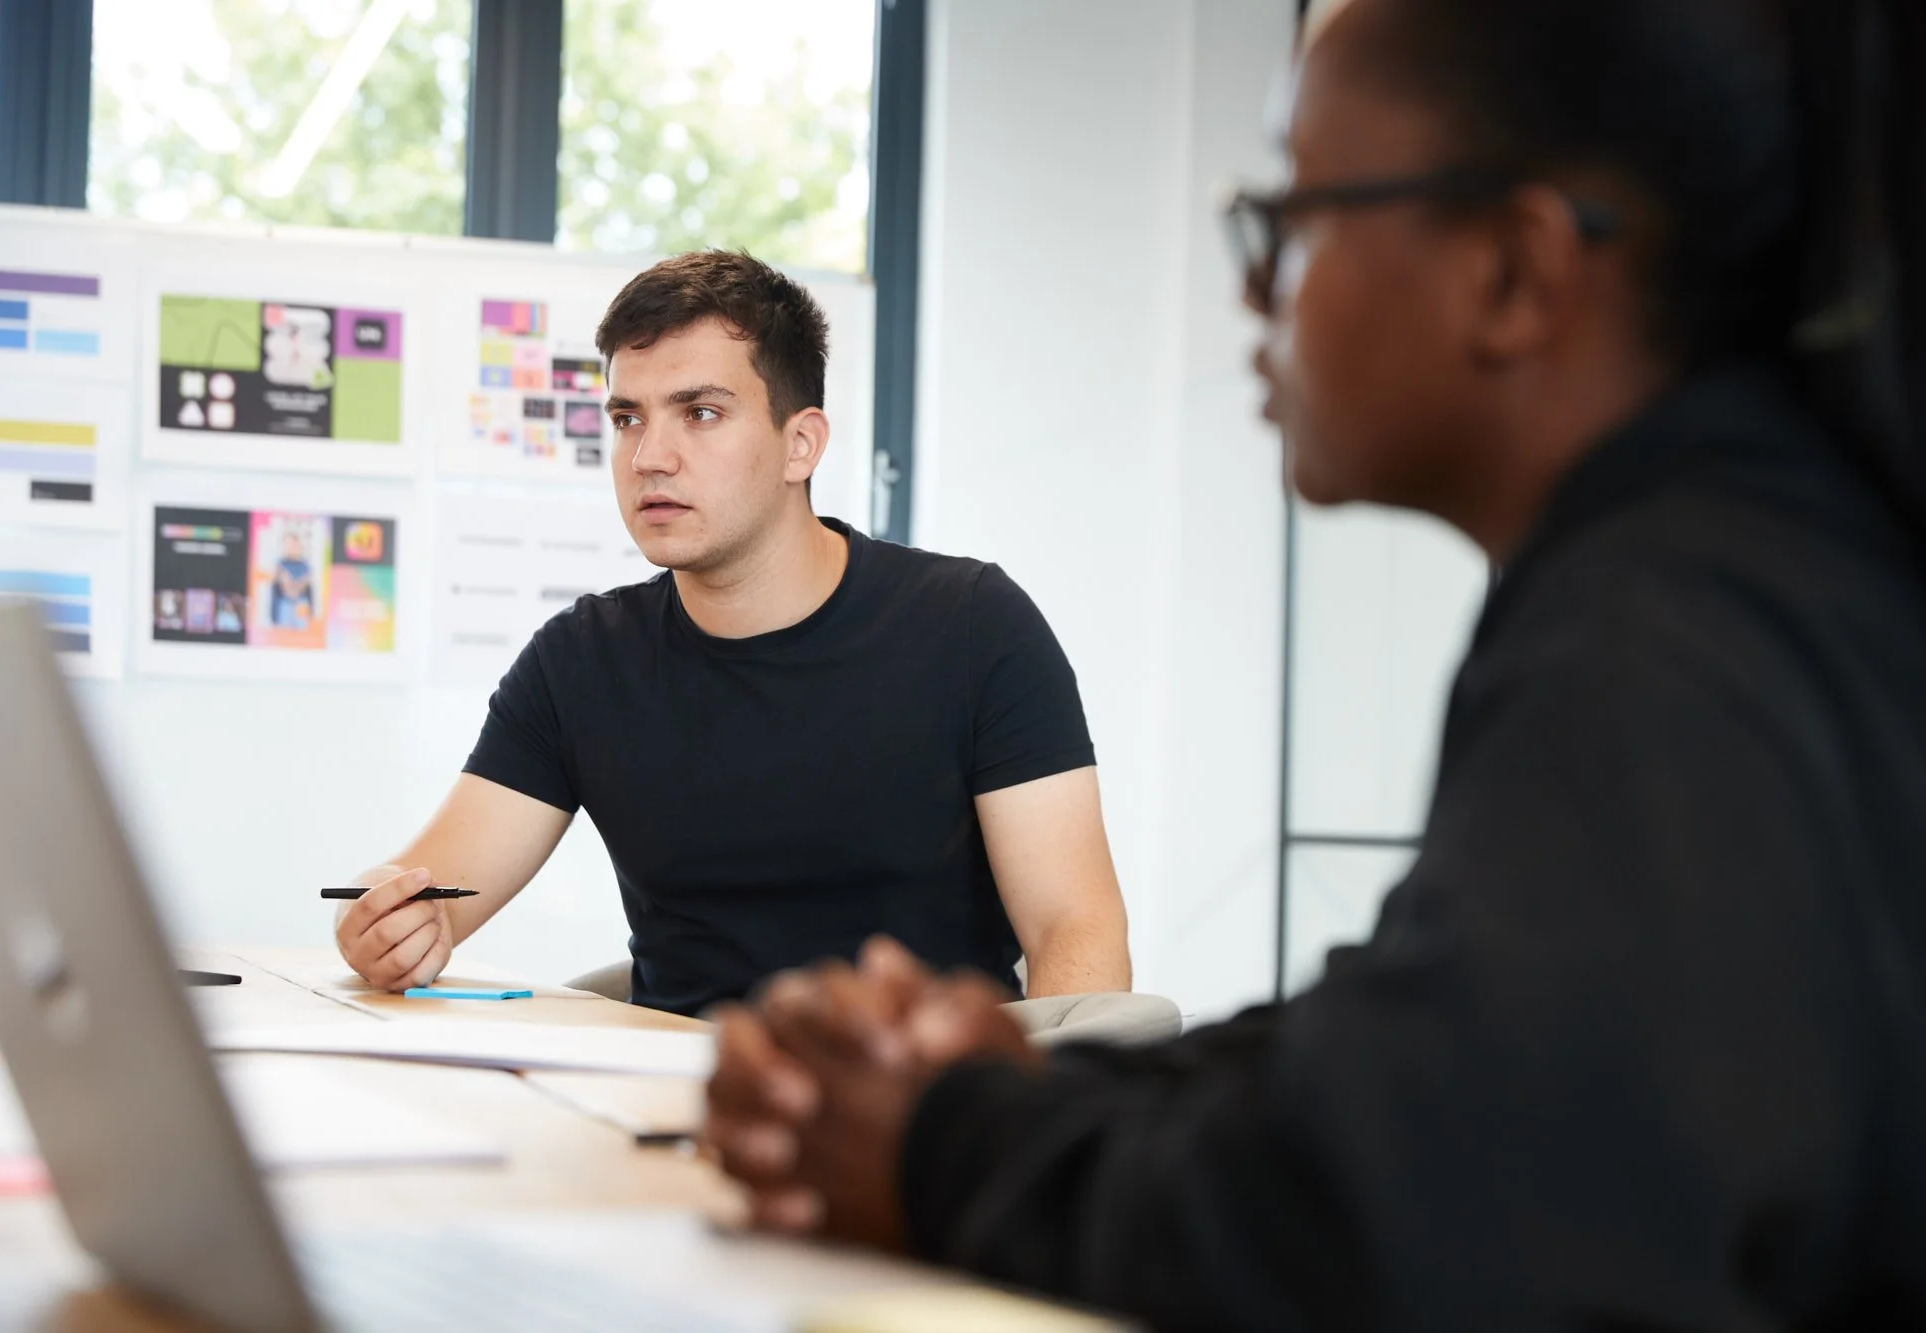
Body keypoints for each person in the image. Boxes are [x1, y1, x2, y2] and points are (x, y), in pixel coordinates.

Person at [701, 0, 1926, 1325]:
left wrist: (938, 1144)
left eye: (1288, 223)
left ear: (1512, 274)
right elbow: (1419, 1052)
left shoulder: (1677, 634)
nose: (1250, 287)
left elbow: (1402, 1229)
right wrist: (1009, 1082)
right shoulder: (1724, 560)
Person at [334, 251, 1131, 1016]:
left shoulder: (973, 625)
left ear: (801, 443)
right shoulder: (581, 660)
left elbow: (1078, 932)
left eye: (701, 413)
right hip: (673, 1115)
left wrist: (1028, 1132)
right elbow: (428, 888)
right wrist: (389, 923)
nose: (649, 456)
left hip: (924, 1120)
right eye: (626, 417)